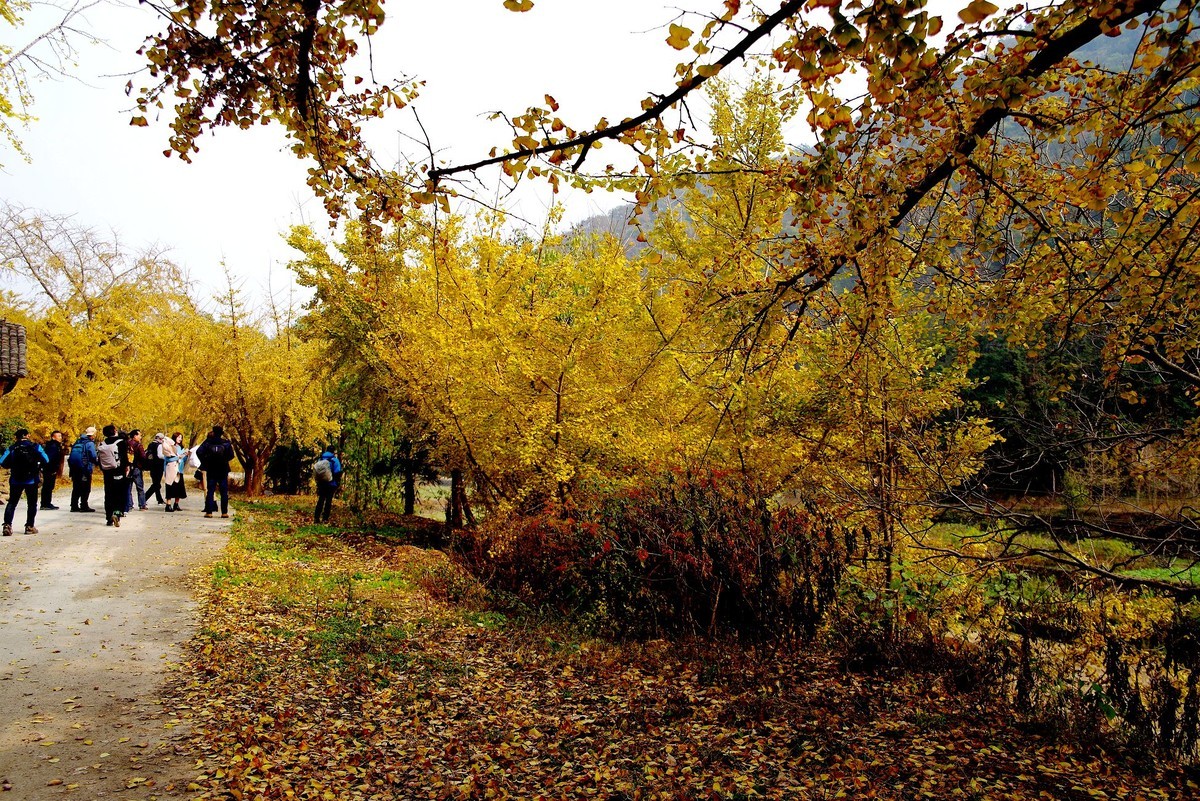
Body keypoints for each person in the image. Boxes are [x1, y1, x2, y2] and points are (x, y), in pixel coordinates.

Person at [0, 429, 49, 536]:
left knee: (12, 503)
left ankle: (7, 525)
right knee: (32, 503)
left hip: (16, 480)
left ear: (16, 437)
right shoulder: (35, 446)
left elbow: (2, 461)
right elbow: (46, 459)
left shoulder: (12, 448)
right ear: (27, 435)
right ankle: (29, 526)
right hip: (31, 479)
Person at [197, 425, 235, 519]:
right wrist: (224, 460)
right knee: (223, 491)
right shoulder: (226, 443)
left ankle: (209, 512)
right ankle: (224, 513)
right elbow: (231, 455)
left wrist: (205, 461)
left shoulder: (207, 442)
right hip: (223, 469)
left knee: (210, 491)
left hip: (211, 468)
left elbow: (199, 452)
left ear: (213, 432)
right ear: (221, 433)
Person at [98, 424, 130, 527]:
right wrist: (126, 468)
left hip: (107, 472)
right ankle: (116, 513)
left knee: (108, 494)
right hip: (119, 471)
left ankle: (108, 517)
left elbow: (99, 460)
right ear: (115, 431)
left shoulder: (102, 443)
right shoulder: (121, 442)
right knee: (119, 493)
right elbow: (124, 458)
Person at [67, 427, 98, 513]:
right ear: (93, 434)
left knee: (76, 487)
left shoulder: (78, 441)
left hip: (74, 468)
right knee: (86, 487)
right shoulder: (90, 444)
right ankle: (84, 505)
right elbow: (93, 456)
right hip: (85, 469)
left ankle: (74, 506)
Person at [312, 445, 343, 524]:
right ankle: (325, 519)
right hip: (331, 483)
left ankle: (316, 518)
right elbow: (337, 472)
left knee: (321, 499)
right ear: (333, 451)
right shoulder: (334, 460)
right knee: (328, 501)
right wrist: (337, 482)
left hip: (321, 483)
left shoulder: (321, 459)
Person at [161, 432, 186, 512]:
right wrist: (178, 457)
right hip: (171, 469)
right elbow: (168, 459)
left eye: (181, 438)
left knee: (179, 487)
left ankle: (176, 503)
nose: (180, 439)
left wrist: (186, 455)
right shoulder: (169, 447)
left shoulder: (181, 447)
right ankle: (168, 505)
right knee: (170, 486)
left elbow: (183, 459)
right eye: (178, 437)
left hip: (179, 469)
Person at [40, 430, 64, 510]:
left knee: (49, 486)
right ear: (53, 437)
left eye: (61, 436)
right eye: (59, 436)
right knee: (48, 486)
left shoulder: (55, 445)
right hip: (49, 469)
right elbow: (50, 459)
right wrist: (52, 469)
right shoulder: (53, 446)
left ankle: (46, 503)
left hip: (50, 469)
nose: (60, 438)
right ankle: (45, 503)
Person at [126, 429, 148, 511]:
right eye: (139, 435)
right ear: (135, 436)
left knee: (128, 488)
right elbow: (143, 457)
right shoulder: (139, 446)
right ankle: (142, 504)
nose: (140, 437)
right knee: (140, 488)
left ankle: (129, 505)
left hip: (128, 468)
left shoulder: (126, 444)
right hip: (137, 468)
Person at [144, 432, 166, 505]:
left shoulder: (150, 445)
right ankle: (144, 498)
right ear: (160, 439)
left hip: (151, 466)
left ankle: (159, 499)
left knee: (156, 483)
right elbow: (160, 456)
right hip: (158, 466)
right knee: (156, 485)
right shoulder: (159, 445)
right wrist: (167, 456)